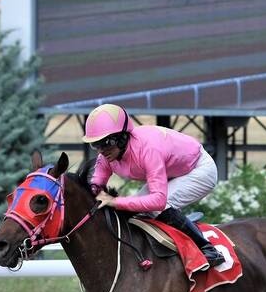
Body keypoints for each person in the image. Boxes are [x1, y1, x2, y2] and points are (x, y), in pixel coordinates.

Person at [84, 103, 225, 267]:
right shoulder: (107, 156)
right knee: (136, 209)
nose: (101, 150)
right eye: (96, 144)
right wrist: (92, 193)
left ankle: (207, 248)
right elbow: (96, 184)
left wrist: (115, 201)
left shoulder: (148, 149)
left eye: (106, 142)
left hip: (199, 169)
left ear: (122, 138)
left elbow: (158, 201)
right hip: (171, 172)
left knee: (154, 207)